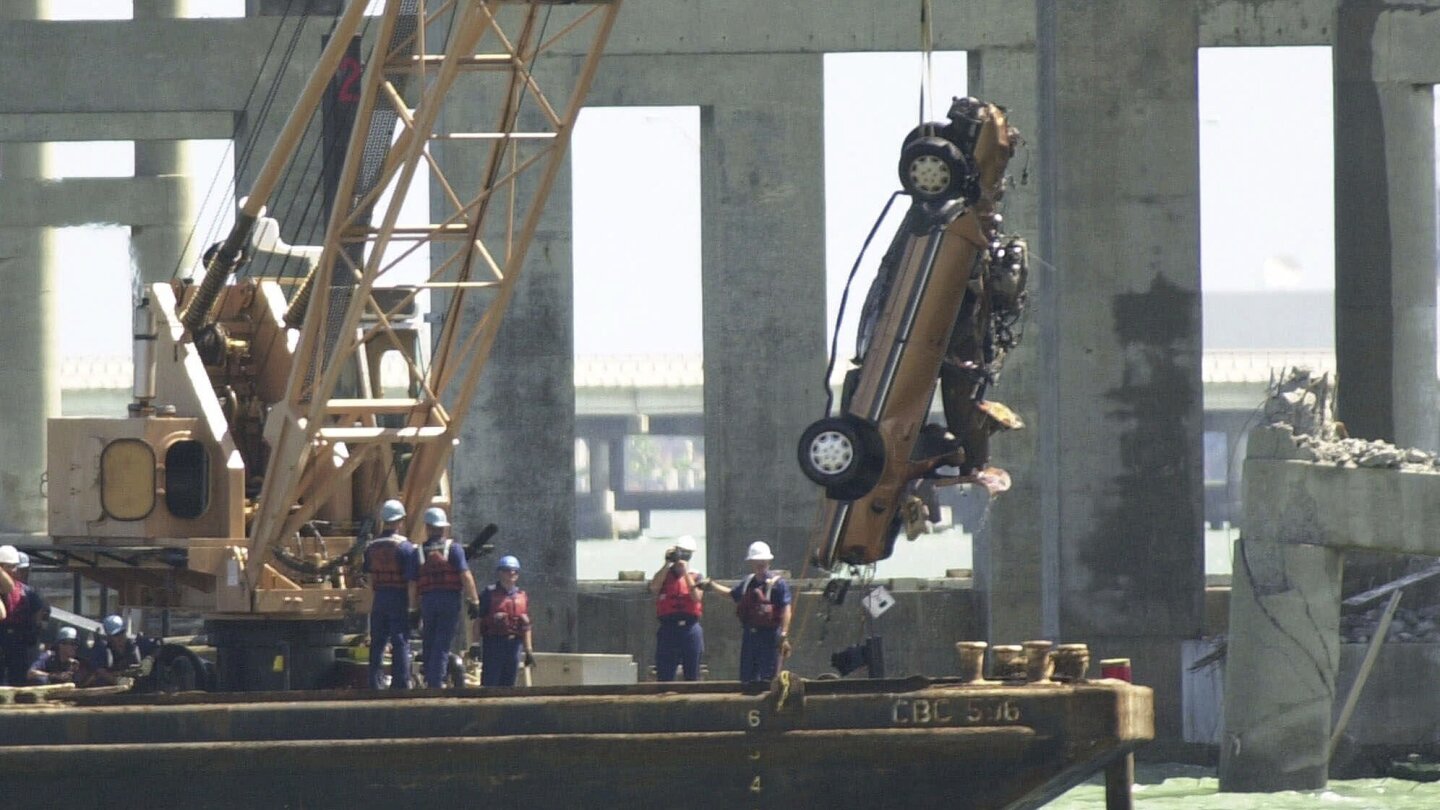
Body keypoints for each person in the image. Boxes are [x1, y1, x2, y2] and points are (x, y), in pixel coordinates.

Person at [416, 507, 479, 688]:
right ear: (443, 528)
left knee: (429, 640)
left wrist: (413, 609)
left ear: (427, 528)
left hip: (428, 600)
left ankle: (430, 677)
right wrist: (474, 600)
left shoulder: (419, 551)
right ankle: (436, 683)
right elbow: (465, 575)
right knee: (442, 643)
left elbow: (414, 583)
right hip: (449, 600)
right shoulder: (454, 549)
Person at [362, 499, 420, 689]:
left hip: (379, 597)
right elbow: (412, 581)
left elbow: (369, 579)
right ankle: (400, 682)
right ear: (400, 521)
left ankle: (374, 682)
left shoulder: (371, 547)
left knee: (378, 641)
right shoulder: (405, 547)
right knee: (400, 640)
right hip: (399, 596)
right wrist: (413, 607)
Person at [729, 541, 792, 684]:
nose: (761, 564)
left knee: (768, 679)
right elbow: (732, 594)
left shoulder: (778, 584)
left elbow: (786, 608)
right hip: (750, 635)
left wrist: (784, 633)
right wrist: (711, 585)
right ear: (751, 562)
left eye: (763, 561)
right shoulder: (748, 582)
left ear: (769, 561)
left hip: (769, 636)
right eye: (757, 561)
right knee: (747, 679)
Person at [649, 536, 707, 682]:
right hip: (668, 628)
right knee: (664, 673)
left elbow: (696, 597)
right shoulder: (664, 575)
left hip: (690, 628)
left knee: (692, 673)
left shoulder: (696, 575)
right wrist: (667, 563)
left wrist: (685, 572)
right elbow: (654, 588)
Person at [474, 555, 533, 687]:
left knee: (509, 682)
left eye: (515, 571)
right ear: (500, 572)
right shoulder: (489, 593)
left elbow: (526, 625)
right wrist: (475, 644)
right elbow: (478, 620)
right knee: (491, 681)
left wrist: (528, 650)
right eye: (507, 570)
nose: (511, 573)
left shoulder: (522, 596)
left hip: (514, 645)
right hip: (494, 643)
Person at [0, 544, 49, 686]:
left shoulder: (27, 592)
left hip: (20, 638)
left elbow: (39, 614)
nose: (15, 571)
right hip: (5, 635)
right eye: (11, 567)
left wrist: (33, 633)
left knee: (18, 675)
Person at [84, 614, 141, 687]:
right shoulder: (102, 648)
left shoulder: (131, 647)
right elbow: (99, 670)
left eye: (122, 632)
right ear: (108, 637)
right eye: (116, 635)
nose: (120, 637)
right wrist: (116, 680)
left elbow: (137, 669)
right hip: (106, 691)